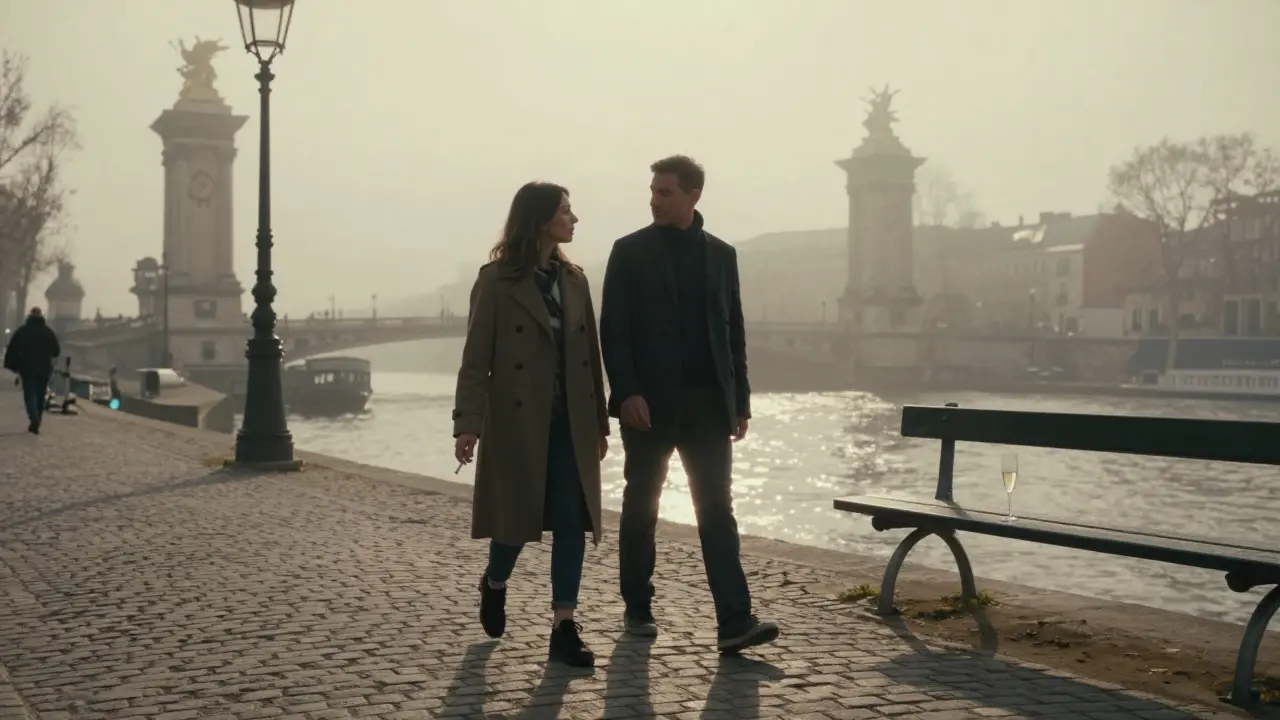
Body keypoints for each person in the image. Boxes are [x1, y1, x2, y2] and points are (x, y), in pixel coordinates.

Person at [600, 155, 780, 654]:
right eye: (653, 191)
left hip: (707, 408)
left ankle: (734, 621)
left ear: (693, 196)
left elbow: (733, 333)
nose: (654, 200)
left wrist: (739, 400)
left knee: (717, 511)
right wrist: (628, 392)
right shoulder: (629, 252)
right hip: (648, 407)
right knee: (641, 510)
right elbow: (613, 331)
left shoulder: (722, 256)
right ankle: (638, 606)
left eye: (665, 192)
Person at [452, 181, 610, 668]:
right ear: (542, 219)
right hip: (519, 421)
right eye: (566, 211)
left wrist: (600, 424)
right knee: (515, 523)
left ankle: (564, 626)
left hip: (571, 423)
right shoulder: (496, 281)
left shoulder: (577, 280)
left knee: (571, 522)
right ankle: (494, 581)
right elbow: (476, 359)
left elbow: (590, 357)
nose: (575, 219)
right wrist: (467, 424)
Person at [2, 307, 61, 434]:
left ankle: (33, 417)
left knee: (30, 393)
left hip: (27, 367)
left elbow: (12, 348)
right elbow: (56, 351)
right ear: (41, 316)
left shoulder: (22, 331)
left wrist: (12, 364)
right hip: (44, 368)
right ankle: (37, 418)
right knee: (40, 394)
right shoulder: (48, 332)